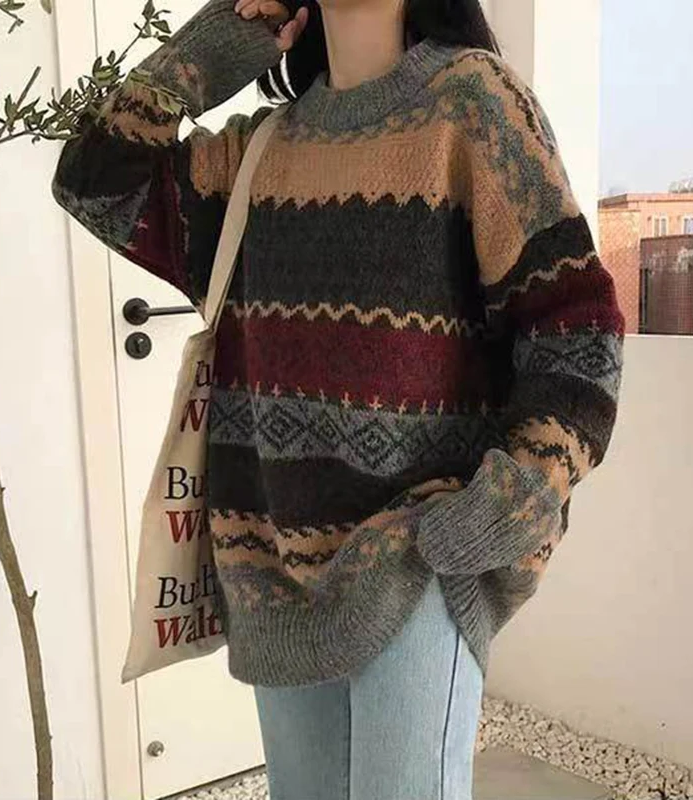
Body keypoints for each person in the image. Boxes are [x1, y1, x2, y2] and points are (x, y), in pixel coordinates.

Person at [51, 0, 624, 795]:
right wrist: (225, 38)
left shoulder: (471, 103)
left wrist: (506, 503)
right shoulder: (259, 151)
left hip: (416, 566)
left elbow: (576, 325)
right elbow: (92, 184)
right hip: (271, 576)